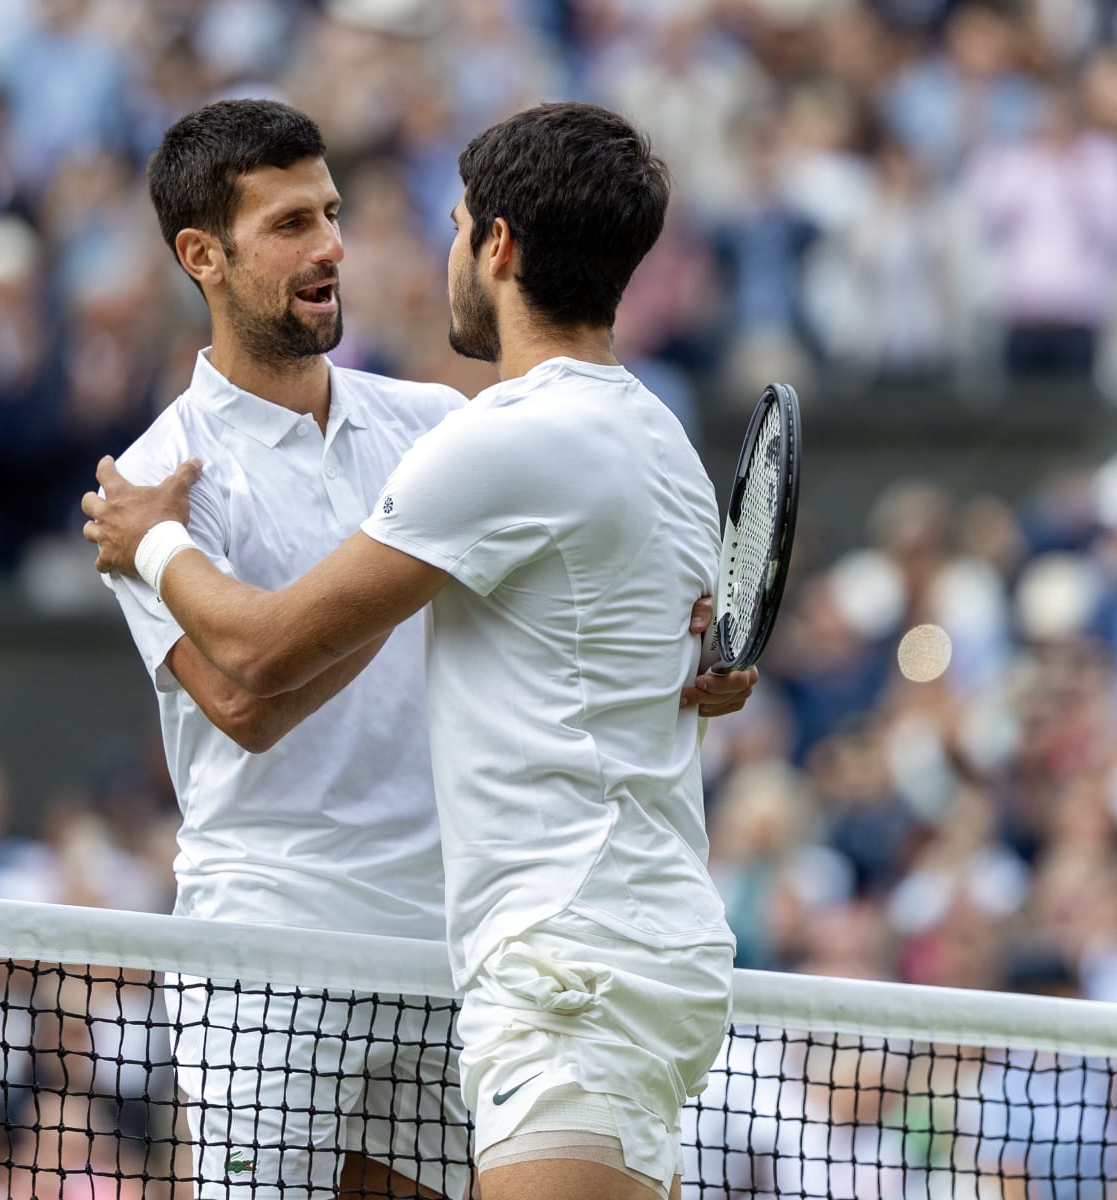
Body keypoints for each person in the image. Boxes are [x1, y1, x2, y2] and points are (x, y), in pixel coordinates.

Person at [95, 99, 752, 1200]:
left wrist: (673, 653)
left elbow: (552, 583)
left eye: (333, 213)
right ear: (202, 256)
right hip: (274, 949)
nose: (331, 246)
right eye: (292, 223)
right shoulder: (161, 469)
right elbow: (245, 702)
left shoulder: (447, 428)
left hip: (463, 946)